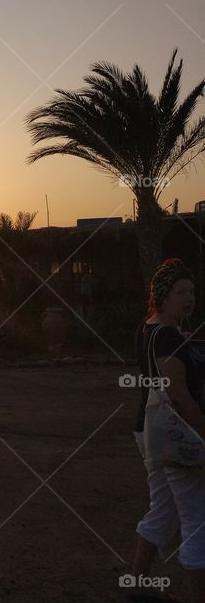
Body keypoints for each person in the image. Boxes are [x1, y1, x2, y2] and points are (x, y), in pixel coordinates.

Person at [130, 258, 205, 602]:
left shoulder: (149, 327)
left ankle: (137, 585)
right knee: (196, 519)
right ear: (162, 295)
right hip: (178, 436)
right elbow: (177, 393)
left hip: (151, 432)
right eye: (180, 292)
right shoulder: (168, 336)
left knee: (163, 508)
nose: (188, 298)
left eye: (191, 291)